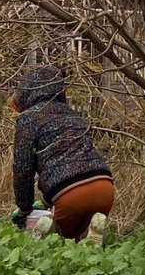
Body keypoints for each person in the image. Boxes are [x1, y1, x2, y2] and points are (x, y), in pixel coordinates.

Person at [10, 65, 114, 242]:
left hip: (70, 196)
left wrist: (25, 207)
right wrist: (45, 202)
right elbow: (71, 162)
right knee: (80, 243)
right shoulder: (73, 115)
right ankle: (90, 238)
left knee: (58, 247)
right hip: (104, 187)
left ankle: (50, 232)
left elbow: (23, 168)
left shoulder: (29, 118)